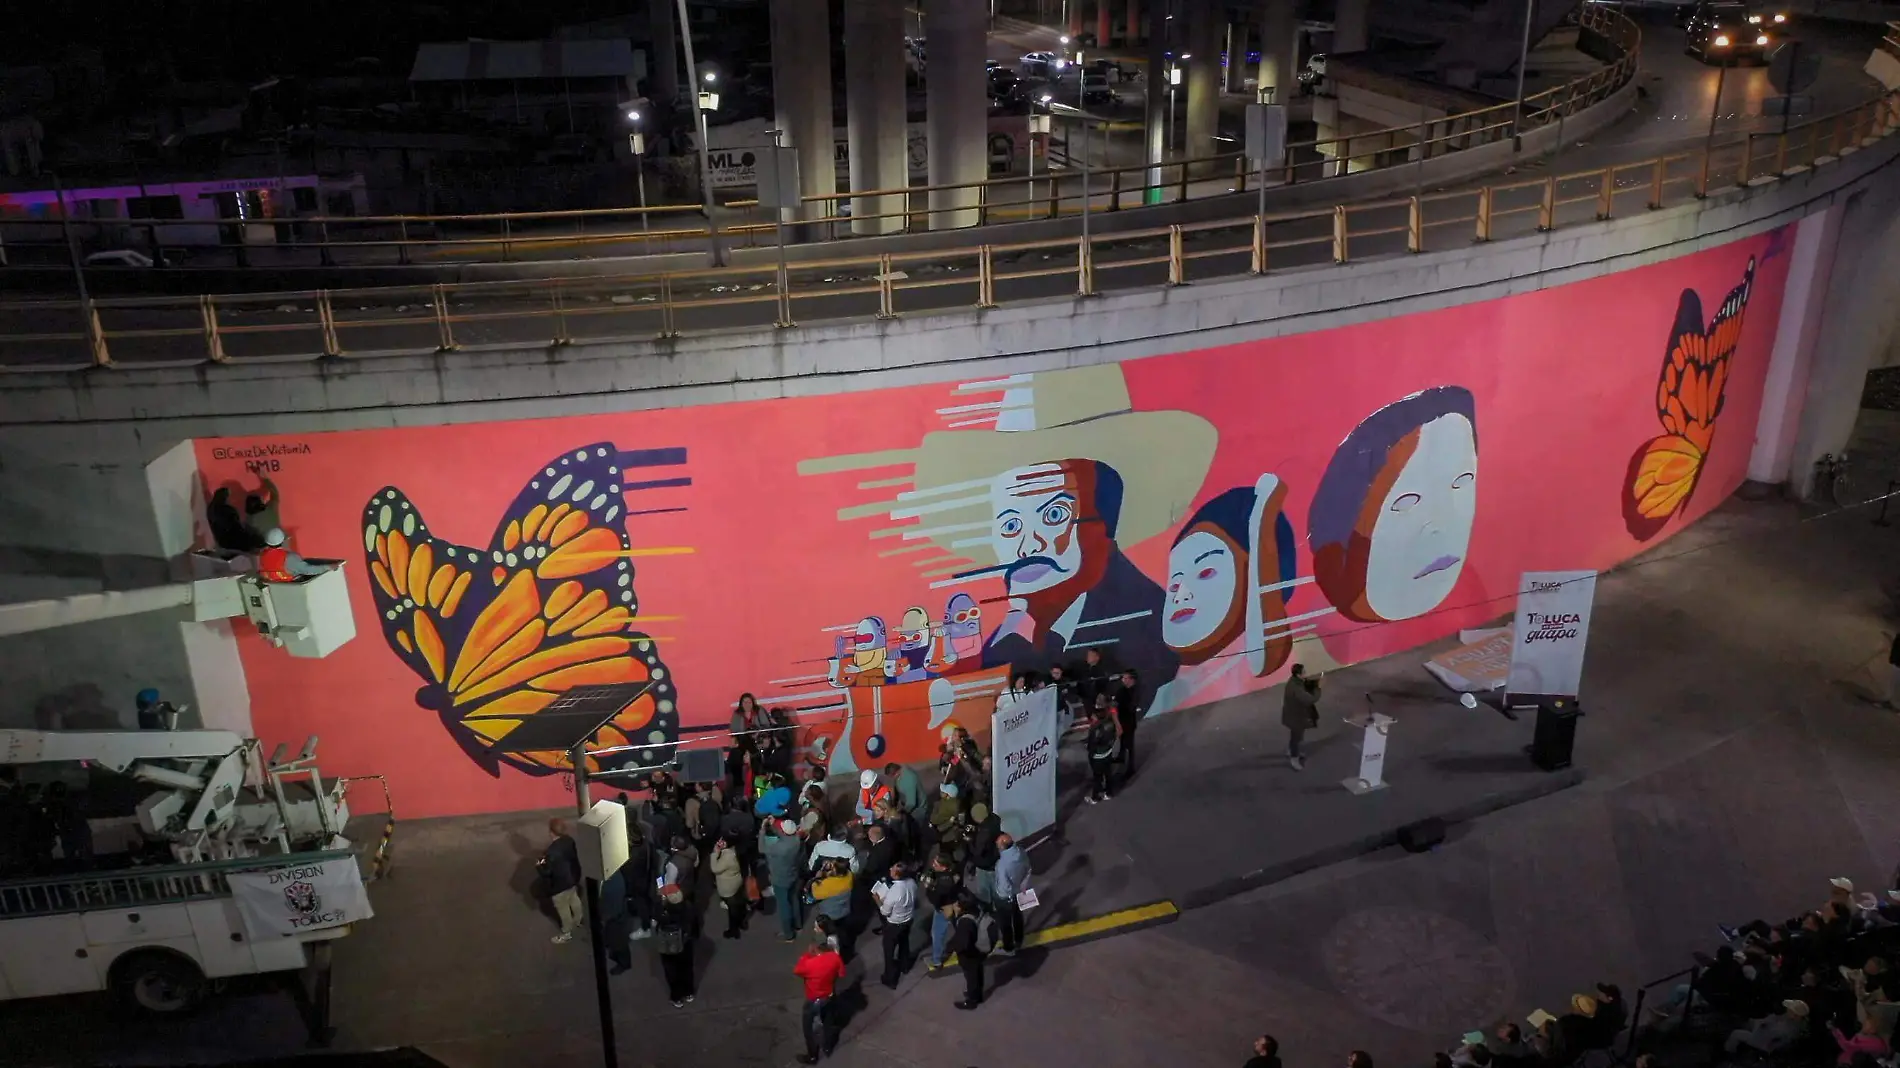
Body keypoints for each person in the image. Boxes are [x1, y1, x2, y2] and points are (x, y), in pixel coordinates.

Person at [793, 932, 847, 1064]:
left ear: (815, 947)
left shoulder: (809, 963)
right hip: (828, 996)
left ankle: (812, 1056)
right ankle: (828, 1046)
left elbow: (797, 970)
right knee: (828, 1021)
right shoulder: (835, 958)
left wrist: (806, 955)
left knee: (809, 1028)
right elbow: (841, 973)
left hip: (814, 999)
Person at [873, 861, 918, 988]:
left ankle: (890, 978)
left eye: (892, 869)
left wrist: (877, 899)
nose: (890, 868)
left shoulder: (895, 891)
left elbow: (885, 912)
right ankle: (905, 966)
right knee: (904, 943)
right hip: (908, 919)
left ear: (897, 875)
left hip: (894, 924)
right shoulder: (912, 883)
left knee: (889, 951)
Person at [541, 817, 584, 944]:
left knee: (563, 909)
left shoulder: (551, 852)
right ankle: (578, 919)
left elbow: (547, 871)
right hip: (572, 878)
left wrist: (539, 865)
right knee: (574, 899)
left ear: (551, 832)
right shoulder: (569, 840)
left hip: (559, 885)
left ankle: (566, 932)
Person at [762, 817, 805, 942]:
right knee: (794, 900)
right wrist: (773, 826)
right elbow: (784, 834)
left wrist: (762, 831)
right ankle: (798, 925)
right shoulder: (796, 840)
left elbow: (761, 848)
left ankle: (788, 934)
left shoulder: (778, 847)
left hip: (780, 879)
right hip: (793, 875)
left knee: (783, 906)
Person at [654, 886, 698, 1007]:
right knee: (687, 969)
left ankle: (677, 997)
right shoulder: (688, 907)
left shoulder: (663, 911)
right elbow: (695, 924)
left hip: (669, 946)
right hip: (685, 943)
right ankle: (689, 992)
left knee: (672, 972)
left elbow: (655, 916)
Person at [920, 852, 964, 969]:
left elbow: (935, 896)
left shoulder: (942, 882)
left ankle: (937, 961)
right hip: (955, 904)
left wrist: (930, 888)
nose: (933, 864)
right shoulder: (954, 874)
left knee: (937, 934)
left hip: (944, 908)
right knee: (960, 928)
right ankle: (966, 949)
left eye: (936, 863)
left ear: (943, 866)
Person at [992, 831, 1031, 954]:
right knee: (1017, 917)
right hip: (1019, 892)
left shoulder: (1002, 864)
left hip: (1006, 898)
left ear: (1003, 845)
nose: (996, 845)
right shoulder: (1021, 852)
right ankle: (1019, 940)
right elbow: (1028, 869)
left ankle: (1008, 947)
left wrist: (1002, 896)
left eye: (997, 843)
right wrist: (1023, 886)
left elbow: (1004, 886)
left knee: (1005, 923)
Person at [944, 897, 987, 1009]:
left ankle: (972, 1001)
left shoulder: (965, 922)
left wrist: (949, 950)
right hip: (979, 948)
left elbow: (962, 942)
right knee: (977, 971)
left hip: (970, 953)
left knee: (971, 976)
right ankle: (978, 995)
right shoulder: (976, 913)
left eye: (957, 905)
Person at [1725, 998, 1810, 1054]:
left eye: (1790, 1010)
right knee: (1748, 1021)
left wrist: (1761, 1025)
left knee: (1736, 1034)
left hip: (1764, 1042)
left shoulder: (1790, 1029)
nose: (1787, 1010)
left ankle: (1729, 1054)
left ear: (1795, 1014)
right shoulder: (1789, 1018)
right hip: (1764, 1032)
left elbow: (1770, 1036)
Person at [1282, 664, 1321, 770]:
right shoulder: (1296, 688)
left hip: (1293, 715)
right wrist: (1318, 689)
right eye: (1304, 672)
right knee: (1297, 737)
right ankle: (1294, 758)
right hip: (1296, 717)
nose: (1306, 674)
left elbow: (1305, 683)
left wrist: (1315, 682)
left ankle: (1292, 750)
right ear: (1299, 675)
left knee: (1295, 735)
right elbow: (1310, 699)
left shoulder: (1294, 681)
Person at [256, 527, 328, 582]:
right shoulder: (290, 558)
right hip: (294, 583)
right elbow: (308, 570)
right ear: (283, 541)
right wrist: (328, 567)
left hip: (275, 584)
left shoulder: (262, 555)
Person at [711, 837, 748, 938]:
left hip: (728, 885)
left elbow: (715, 868)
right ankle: (742, 922)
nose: (719, 842)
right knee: (740, 902)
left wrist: (715, 853)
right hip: (737, 881)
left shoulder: (728, 856)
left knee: (732, 909)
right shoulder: (737, 851)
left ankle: (734, 930)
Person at [1085, 699, 1121, 803]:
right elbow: (1115, 735)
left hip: (1098, 757)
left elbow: (1092, 745)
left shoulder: (1095, 728)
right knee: (1108, 773)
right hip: (1108, 753)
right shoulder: (1110, 722)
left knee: (1097, 777)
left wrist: (1090, 755)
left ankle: (1095, 797)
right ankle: (1108, 793)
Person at [1114, 668, 1143, 779]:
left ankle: (1131, 768)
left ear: (1132, 680)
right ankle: (1121, 757)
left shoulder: (1135, 692)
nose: (1123, 680)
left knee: (1129, 745)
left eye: (1125, 678)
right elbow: (1115, 704)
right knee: (1122, 740)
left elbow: (1132, 707)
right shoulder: (1121, 691)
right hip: (1121, 719)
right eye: (1123, 678)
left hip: (1129, 722)